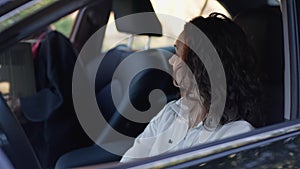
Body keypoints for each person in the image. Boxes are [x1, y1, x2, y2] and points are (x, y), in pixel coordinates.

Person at [120, 13, 263, 162]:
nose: (171, 60)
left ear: (201, 62)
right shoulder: (170, 113)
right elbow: (128, 163)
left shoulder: (237, 135)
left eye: (177, 52)